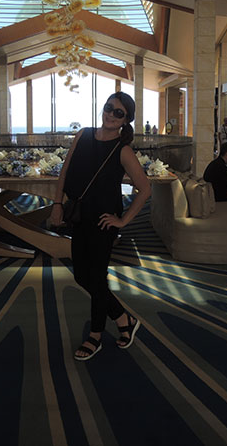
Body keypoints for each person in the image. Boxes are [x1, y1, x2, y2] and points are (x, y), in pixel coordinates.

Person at [50, 92, 151, 361]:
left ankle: (95, 335)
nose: (110, 115)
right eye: (109, 108)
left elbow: (145, 189)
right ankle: (123, 319)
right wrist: (57, 203)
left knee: (95, 277)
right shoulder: (83, 135)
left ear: (126, 120)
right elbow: (64, 173)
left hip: (104, 222)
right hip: (79, 216)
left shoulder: (123, 150)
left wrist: (122, 221)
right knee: (81, 276)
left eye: (119, 113)